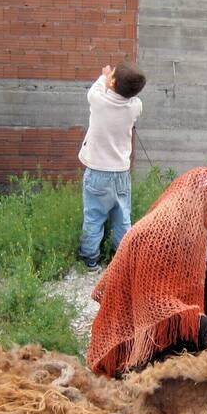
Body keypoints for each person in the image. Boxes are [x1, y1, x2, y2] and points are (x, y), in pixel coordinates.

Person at [86, 167, 207, 377]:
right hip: (135, 343)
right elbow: (158, 306)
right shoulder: (156, 239)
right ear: (198, 205)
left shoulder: (196, 232)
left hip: (167, 331)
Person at [78, 61, 147, 272]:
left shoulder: (98, 101)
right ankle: (122, 259)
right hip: (121, 174)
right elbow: (129, 95)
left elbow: (96, 89)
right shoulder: (135, 106)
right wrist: (116, 81)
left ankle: (90, 260)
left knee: (94, 218)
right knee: (122, 218)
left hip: (98, 173)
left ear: (113, 82)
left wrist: (103, 76)